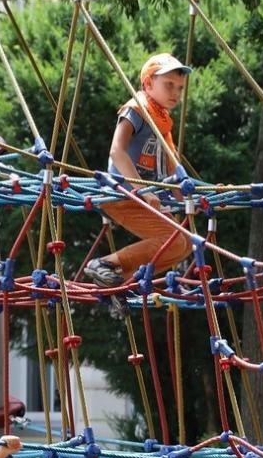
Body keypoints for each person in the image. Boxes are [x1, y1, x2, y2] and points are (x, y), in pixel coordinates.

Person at [82, 53, 196, 288]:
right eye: (169, 85)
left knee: (184, 243)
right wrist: (142, 190)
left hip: (145, 197)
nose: (175, 93)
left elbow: (173, 164)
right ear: (148, 84)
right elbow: (117, 151)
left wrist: (187, 199)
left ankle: (118, 283)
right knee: (173, 241)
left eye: (180, 88)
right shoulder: (137, 109)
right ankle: (104, 264)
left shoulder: (162, 121)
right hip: (122, 194)